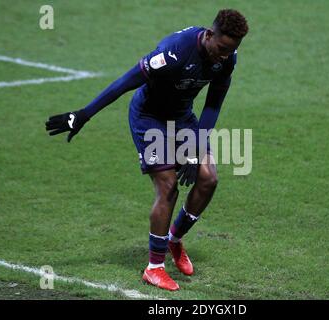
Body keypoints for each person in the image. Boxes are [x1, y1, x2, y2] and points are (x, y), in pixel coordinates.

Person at [45, 9, 249, 291]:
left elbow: (213, 104)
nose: (225, 55)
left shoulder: (227, 59)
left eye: (232, 50)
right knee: (168, 186)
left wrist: (195, 147)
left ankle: (173, 240)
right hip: (149, 118)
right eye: (223, 48)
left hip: (181, 117)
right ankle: (154, 268)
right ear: (210, 35)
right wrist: (83, 114)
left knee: (208, 178)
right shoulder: (174, 53)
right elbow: (125, 82)